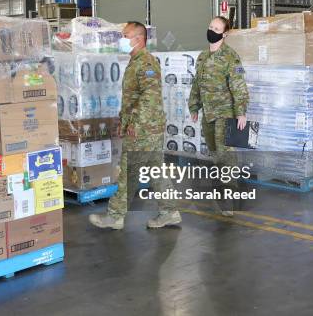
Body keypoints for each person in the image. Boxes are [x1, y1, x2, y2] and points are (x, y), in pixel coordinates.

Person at [89, 21, 181, 230]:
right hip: (147, 127)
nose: (121, 40)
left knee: (128, 172)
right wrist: (124, 121)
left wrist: (135, 123)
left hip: (143, 130)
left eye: (125, 35)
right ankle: (170, 212)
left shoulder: (146, 63)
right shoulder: (136, 61)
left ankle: (115, 216)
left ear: (138, 39)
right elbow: (133, 98)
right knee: (155, 170)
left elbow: (150, 96)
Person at [188, 16, 249, 216]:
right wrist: (194, 107)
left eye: (216, 28)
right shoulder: (202, 57)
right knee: (215, 155)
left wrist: (241, 112)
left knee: (226, 157)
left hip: (225, 114)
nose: (211, 30)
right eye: (210, 26)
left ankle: (229, 201)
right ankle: (221, 191)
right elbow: (197, 84)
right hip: (208, 114)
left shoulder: (231, 57)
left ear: (225, 33)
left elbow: (238, 85)